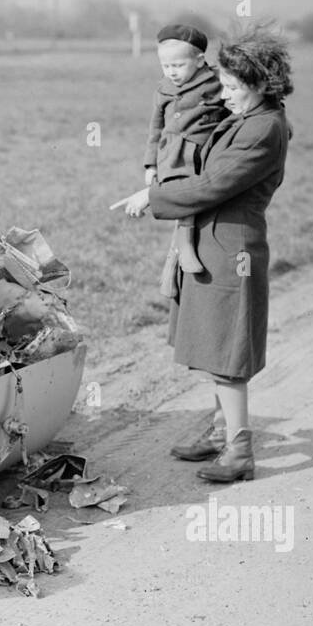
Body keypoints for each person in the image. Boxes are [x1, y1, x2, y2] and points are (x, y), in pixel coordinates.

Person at [123, 28, 293, 482]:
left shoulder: (262, 129)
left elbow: (213, 184)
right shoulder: (248, 117)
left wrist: (152, 196)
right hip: (214, 239)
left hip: (231, 246)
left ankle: (239, 453)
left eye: (234, 88)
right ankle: (221, 434)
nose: (226, 95)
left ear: (261, 85)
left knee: (228, 356)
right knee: (217, 347)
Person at [143, 24, 229, 298]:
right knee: (182, 200)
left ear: (200, 60)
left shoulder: (215, 83)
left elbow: (236, 108)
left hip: (201, 155)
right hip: (172, 155)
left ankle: (180, 255)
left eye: (178, 65)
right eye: (165, 66)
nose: (171, 72)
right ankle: (183, 249)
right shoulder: (163, 89)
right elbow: (155, 129)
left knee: (194, 197)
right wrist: (151, 164)